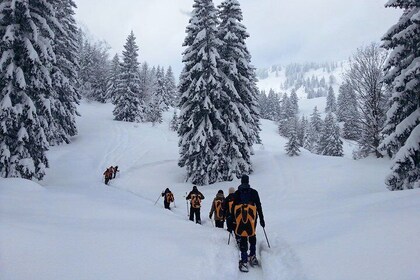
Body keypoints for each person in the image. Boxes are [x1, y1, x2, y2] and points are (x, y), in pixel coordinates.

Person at [231, 174, 265, 273]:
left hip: (240, 219)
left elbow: (233, 208)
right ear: (248, 181)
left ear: (241, 181)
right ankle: (253, 256)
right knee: (252, 235)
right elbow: (258, 206)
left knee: (243, 237)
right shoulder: (254, 192)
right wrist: (262, 219)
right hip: (252, 219)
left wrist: (233, 220)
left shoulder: (237, 193)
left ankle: (244, 260)